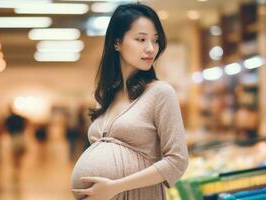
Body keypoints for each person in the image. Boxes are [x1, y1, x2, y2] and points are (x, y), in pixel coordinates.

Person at [71, 3, 189, 200]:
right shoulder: (106, 96)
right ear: (117, 43)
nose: (151, 48)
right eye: (141, 39)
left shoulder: (161, 93)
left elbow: (177, 161)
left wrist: (115, 186)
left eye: (155, 40)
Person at [4, 107, 27, 182]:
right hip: (20, 137)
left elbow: (6, 128)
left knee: (15, 156)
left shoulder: (9, 118)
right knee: (17, 156)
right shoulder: (19, 117)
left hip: (15, 137)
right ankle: (16, 172)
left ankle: (16, 172)